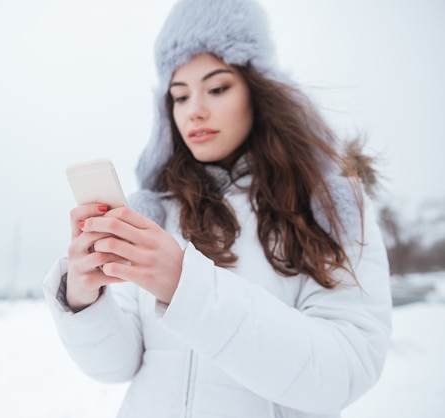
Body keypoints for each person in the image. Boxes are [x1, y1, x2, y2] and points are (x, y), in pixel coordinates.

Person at [43, 0, 392, 416]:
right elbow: (118, 367)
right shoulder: (159, 213)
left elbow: (343, 372)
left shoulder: (329, 208)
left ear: (257, 89)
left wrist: (186, 287)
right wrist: (85, 299)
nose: (195, 111)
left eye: (217, 88)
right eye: (179, 96)